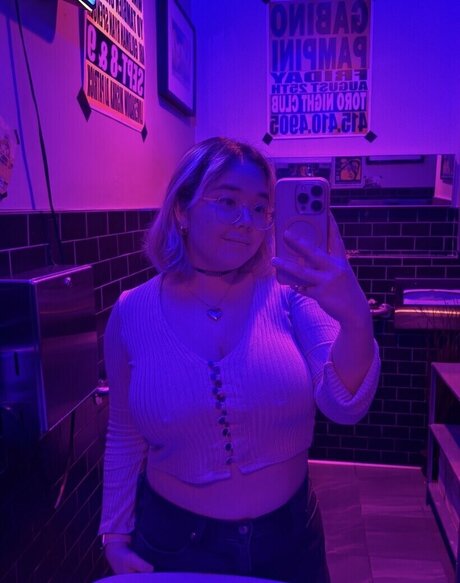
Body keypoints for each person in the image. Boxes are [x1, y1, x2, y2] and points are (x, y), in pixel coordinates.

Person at [99, 137, 380, 582]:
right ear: (181, 210)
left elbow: (344, 405)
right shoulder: (132, 312)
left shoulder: (292, 293)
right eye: (228, 201)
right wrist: (114, 534)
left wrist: (356, 319)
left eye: (259, 207)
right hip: (172, 543)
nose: (246, 222)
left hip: (289, 541)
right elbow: (124, 430)